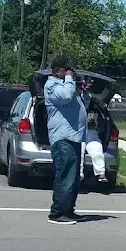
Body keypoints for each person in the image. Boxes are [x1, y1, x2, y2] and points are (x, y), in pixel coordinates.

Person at [44, 56, 87, 224]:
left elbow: (80, 105)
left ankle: (68, 210)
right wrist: (70, 80)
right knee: (65, 176)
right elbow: (66, 96)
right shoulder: (51, 86)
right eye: (67, 70)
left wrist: (83, 91)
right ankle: (57, 213)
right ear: (57, 71)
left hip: (74, 136)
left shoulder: (67, 85)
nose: (70, 73)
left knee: (73, 177)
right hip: (62, 138)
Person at [78, 80, 107, 184]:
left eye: (87, 86)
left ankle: (100, 173)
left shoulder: (90, 101)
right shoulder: (71, 98)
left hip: (90, 132)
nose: (85, 88)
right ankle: (79, 174)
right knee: (79, 151)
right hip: (76, 132)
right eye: (83, 86)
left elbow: (86, 98)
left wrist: (94, 124)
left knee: (97, 150)